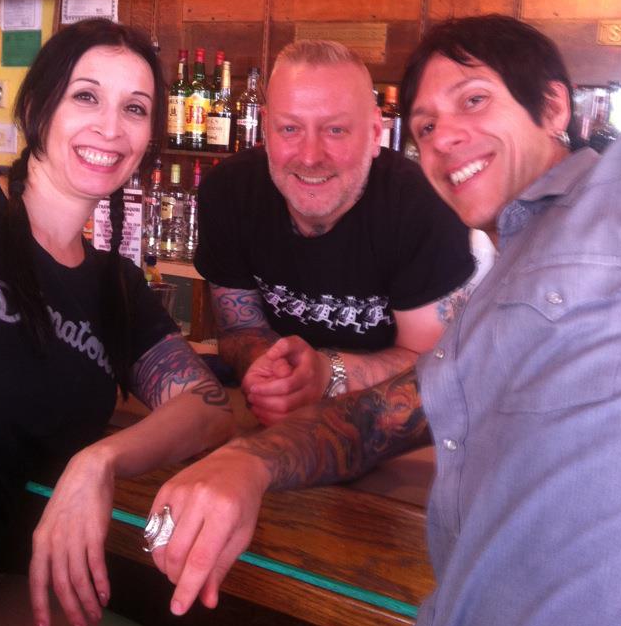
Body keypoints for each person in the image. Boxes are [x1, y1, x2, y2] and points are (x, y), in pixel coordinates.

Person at [146, 14, 621, 626]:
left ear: (553, 106)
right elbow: (371, 422)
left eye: (473, 100)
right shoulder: (487, 313)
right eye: (427, 124)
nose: (445, 138)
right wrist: (247, 463)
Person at [0, 18, 230, 626]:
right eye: (86, 96)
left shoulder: (115, 289)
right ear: (39, 107)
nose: (111, 128)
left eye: (135, 109)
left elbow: (209, 408)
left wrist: (101, 461)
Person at [195, 39, 477, 424]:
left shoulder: (424, 206)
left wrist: (328, 374)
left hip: (392, 428)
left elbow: (432, 363)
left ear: (375, 132)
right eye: (290, 128)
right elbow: (240, 328)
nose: (310, 156)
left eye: (336, 129)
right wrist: (273, 372)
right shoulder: (229, 191)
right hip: (268, 422)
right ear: (265, 127)